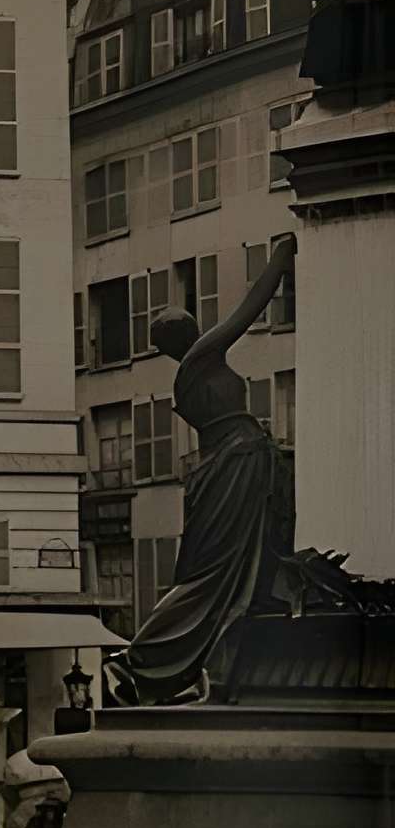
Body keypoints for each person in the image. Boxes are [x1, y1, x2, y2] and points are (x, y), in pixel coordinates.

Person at [108, 233, 297, 705]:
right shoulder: (201, 356)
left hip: (227, 465)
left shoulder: (186, 377)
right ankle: (143, 656)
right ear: (187, 334)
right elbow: (248, 310)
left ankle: (164, 662)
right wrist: (282, 256)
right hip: (239, 460)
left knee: (217, 569)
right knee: (215, 573)